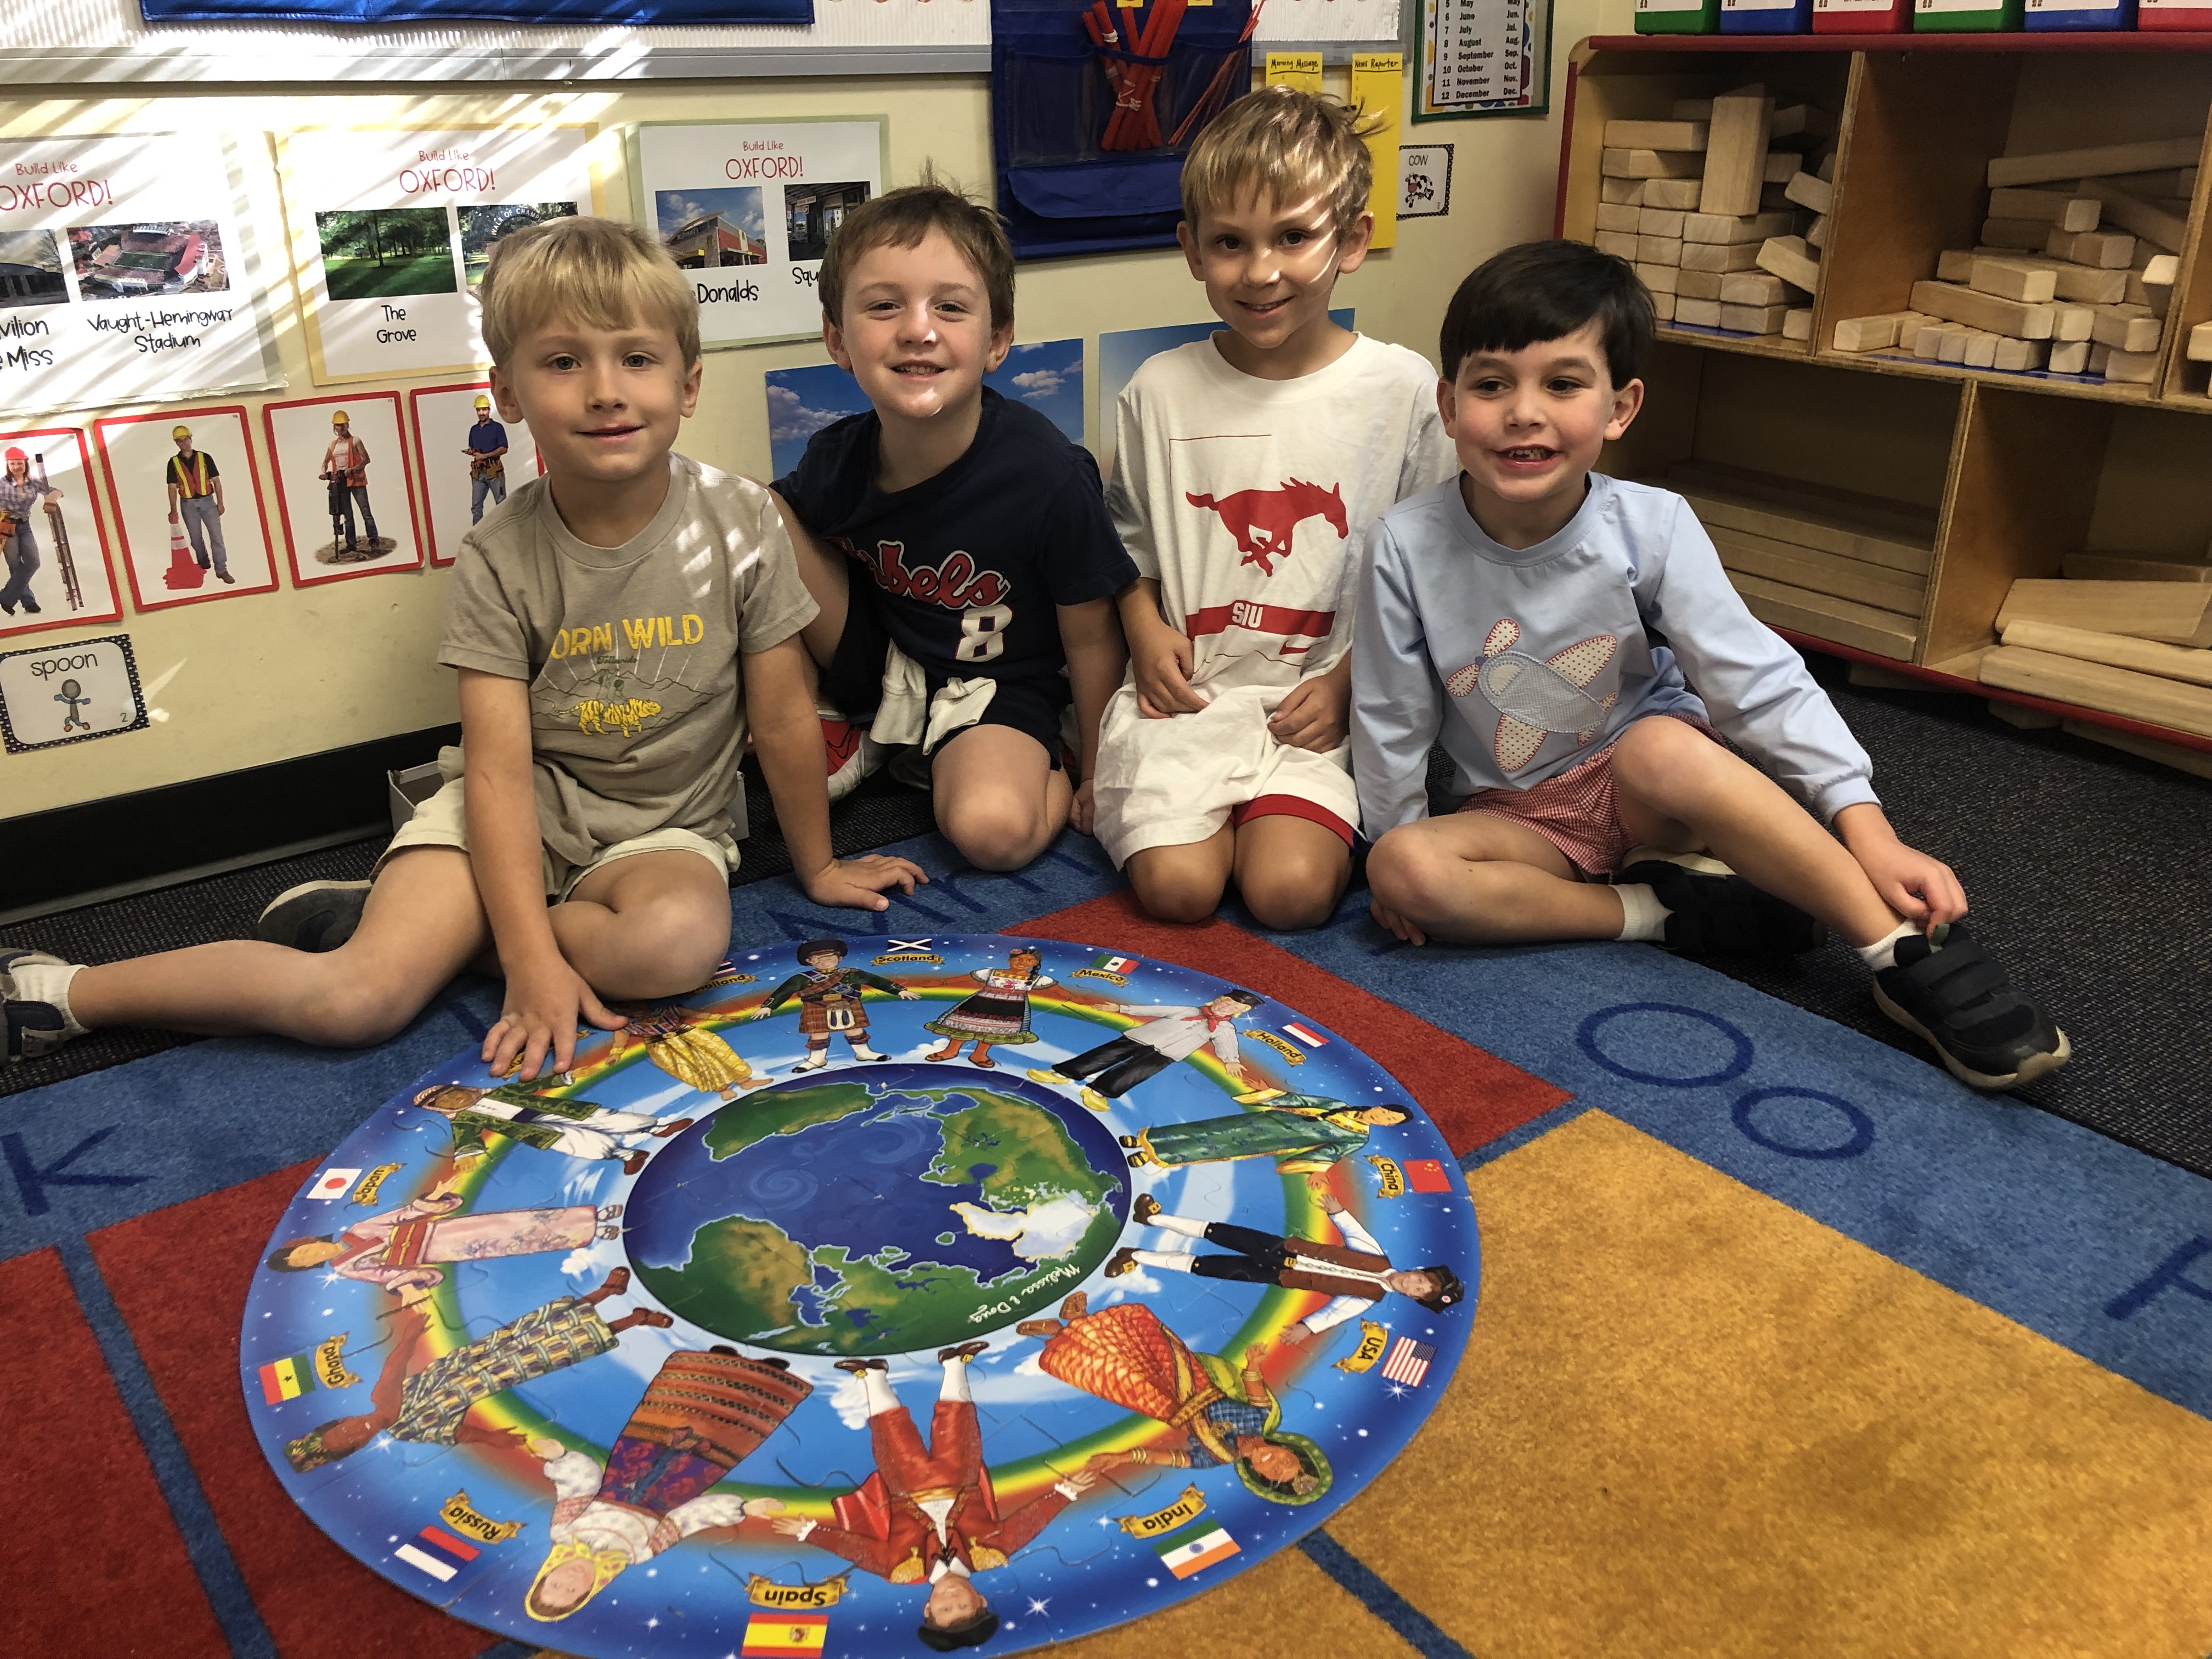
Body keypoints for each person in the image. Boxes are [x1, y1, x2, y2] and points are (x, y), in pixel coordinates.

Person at [2, 217, 924, 1075]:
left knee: (677, 948)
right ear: (509, 395)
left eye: (636, 359)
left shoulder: (741, 523)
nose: (605, 389)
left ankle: (448, 930)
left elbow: (781, 713)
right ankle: (60, 989)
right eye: (564, 361)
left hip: (662, 829)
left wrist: (818, 863)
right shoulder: (498, 556)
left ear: (685, 385)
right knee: (357, 1001)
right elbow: (495, 773)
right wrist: (529, 961)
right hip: (507, 816)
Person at [1352, 239, 2068, 1093]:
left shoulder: (1651, 525)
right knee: (1402, 865)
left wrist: (1864, 823)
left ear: (1621, 407)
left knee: (1661, 746)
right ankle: (1665, 913)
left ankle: (1891, 947)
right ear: (1450, 404)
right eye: (1493, 383)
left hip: (1650, 785)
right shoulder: (1405, 543)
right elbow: (1392, 714)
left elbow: (1755, 680)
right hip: (1524, 816)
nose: (1524, 413)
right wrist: (1391, 843)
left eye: (1564, 384)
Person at [1091, 88, 1458, 930]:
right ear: (1191, 250)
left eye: (1293, 237)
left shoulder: (1402, 390)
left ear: (1353, 240)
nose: (1261, 272)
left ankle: (1285, 812)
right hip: (1193, 699)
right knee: (1178, 893)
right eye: (1230, 244)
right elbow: (1129, 549)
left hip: (1324, 702)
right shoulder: (1158, 391)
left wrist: (1350, 680)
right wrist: (1144, 632)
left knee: (1288, 896)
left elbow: (1436, 573)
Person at [772, 176, 1135, 872]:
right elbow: (781, 553)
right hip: (887, 664)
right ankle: (852, 724)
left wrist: (1096, 769)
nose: (917, 328)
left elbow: (1091, 640)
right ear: (837, 340)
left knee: (990, 832)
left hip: (1002, 688)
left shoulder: (1048, 474)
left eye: (949, 306)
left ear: (997, 340)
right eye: (883, 307)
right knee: (753, 513)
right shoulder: (836, 456)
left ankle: (1040, 766)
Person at [773, 1342, 1096, 1651]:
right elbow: (1030, 1522)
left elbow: (855, 1548)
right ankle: (955, 1363)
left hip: (904, 1485)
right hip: (961, 1477)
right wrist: (1065, 1493)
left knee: (891, 1430)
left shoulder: (898, 1569)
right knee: (958, 1421)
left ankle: (873, 1375)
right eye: (964, 1605)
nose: (953, 1598)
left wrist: (808, 1532)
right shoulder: (994, 1553)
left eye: (945, 1609)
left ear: (928, 1609)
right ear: (981, 1600)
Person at [282, 1269, 670, 1474]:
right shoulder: (409, 1431)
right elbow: (458, 1432)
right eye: (349, 1441)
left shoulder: (379, 1399)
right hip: (499, 1374)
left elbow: (395, 1365)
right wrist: (491, 1440)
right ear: (359, 1447)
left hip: (476, 1355)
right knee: (564, 1348)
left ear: (344, 1419)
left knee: (539, 1322)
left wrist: (413, 1334)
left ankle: (604, 1294)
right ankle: (634, 1320)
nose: (355, 1431)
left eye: (343, 1429)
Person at [523, 1347, 811, 1621]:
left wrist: (560, 1458)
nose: (569, 1580)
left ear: (547, 1574)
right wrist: (744, 1507)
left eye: (556, 1584)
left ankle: (714, 1362)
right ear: (590, 1590)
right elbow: (685, 1520)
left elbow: (580, 1487)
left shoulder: (563, 1531)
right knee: (727, 1431)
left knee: (673, 1409)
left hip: (629, 1463)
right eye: (573, 1591)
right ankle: (768, 1380)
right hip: (688, 1478)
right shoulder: (639, 1554)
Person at [1015, 1292, 1330, 1503]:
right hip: (1193, 1378)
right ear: (1285, 1447)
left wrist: (1119, 1458)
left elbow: (1159, 1458)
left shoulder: (1215, 1458)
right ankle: (1080, 1318)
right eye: (1285, 1460)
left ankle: (1057, 1333)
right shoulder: (1259, 1420)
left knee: (1113, 1373)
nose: (1273, 1462)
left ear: (1260, 1477)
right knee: (1144, 1336)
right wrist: (1254, 1365)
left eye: (1274, 1472)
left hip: (1163, 1404)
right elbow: (1254, 1386)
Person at [1107, 1189, 1463, 1342]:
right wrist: (1338, 1212)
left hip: (1276, 1275)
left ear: (1413, 1298)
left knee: (1206, 1266)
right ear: (1417, 1270)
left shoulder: (1367, 1299)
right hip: (1281, 1247)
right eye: (1419, 1280)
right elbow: (1355, 1234)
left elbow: (1333, 1315)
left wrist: (1308, 1328)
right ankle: (1153, 1220)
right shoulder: (1378, 1256)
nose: (1412, 1285)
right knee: (1218, 1232)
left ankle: (1135, 1256)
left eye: (1418, 1292)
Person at [263, 1187, 623, 1295]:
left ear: (309, 1242)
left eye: (305, 1251)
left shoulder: (354, 1229)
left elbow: (400, 1216)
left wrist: (430, 1205)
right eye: (307, 1262)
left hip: (442, 1230)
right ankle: (591, 1233)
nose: (313, 1256)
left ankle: (595, 1216)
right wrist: (411, 1279)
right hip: (441, 1249)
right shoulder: (345, 1267)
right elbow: (386, 1276)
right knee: (513, 1242)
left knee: (512, 1221)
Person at [1035, 987, 1263, 1106]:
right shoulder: (1188, 1011)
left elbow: (1227, 1045)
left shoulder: (1225, 1029)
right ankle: (1062, 1073)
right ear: (1218, 999)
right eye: (1225, 1001)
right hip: (1142, 1037)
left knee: (1135, 1072)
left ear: (1239, 1012)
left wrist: (1231, 1060)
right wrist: (1121, 1009)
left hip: (1168, 1054)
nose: (1226, 1007)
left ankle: (1099, 1091)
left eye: (1232, 1007)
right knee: (1104, 1055)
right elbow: (1154, 1010)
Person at [1120, 1086, 1406, 1174]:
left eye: (1389, 1121)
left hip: (1274, 1139)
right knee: (1210, 1129)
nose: (1383, 1118)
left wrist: (1315, 1169)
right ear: (1380, 1106)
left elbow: (1332, 1152)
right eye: (1386, 1112)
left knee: (1215, 1147)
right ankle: (1149, 1139)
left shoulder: (1359, 1137)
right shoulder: (1338, 1103)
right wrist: (1269, 1095)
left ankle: (1156, 1157)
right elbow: (1302, 1101)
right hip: (1268, 1121)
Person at [749, 938, 920, 1071]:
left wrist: (899, 990)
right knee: (819, 1034)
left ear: (839, 958)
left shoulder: (852, 973)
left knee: (855, 1029)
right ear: (810, 961)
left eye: (830, 958)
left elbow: (876, 980)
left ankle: (864, 1053)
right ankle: (817, 1059)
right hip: (816, 1007)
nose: (825, 962)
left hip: (848, 1004)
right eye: (819, 959)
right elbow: (784, 991)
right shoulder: (801, 979)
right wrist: (768, 1006)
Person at [923, 945, 1053, 1066]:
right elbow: (965, 978)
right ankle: (951, 1051)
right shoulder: (992, 972)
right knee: (963, 1026)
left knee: (993, 1031)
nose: (1023, 963)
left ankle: (979, 1054)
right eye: (1019, 959)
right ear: (1009, 961)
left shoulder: (1037, 979)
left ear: (1036, 964)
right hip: (981, 1003)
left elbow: (1059, 991)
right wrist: (942, 982)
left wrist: (1072, 998)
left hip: (1011, 1008)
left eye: (1029, 961)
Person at [165, 424, 231, 583]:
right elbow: (172, 488)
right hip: (187, 504)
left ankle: (222, 570)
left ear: (191, 438)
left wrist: (220, 503)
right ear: (176, 443)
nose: (184, 443)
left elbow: (217, 481)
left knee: (217, 537)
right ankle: (203, 564)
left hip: (208, 502)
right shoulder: (173, 463)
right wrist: (173, 510)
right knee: (195, 538)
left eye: (186, 439)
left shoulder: (205, 457)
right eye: (180, 440)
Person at [0, 445, 59, 616]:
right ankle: (29, 602)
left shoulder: (33, 482)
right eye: (13, 464)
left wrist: (51, 500)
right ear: (8, 466)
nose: (17, 467)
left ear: (26, 464)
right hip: (6, 525)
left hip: (25, 526)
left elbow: (55, 491)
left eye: (20, 463)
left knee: (33, 562)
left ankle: (5, 597)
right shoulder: (2, 484)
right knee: (15, 565)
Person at [320, 408, 378, 555]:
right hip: (340, 482)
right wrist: (325, 474)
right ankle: (351, 543)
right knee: (347, 515)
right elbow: (325, 461)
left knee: (366, 512)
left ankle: (374, 540)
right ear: (335, 427)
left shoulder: (355, 441)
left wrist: (353, 469)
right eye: (338, 425)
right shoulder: (333, 445)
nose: (341, 428)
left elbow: (366, 459)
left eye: (343, 425)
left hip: (356, 481)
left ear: (347, 425)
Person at [465, 392, 510, 523]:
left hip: (494, 471)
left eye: (484, 409)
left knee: (501, 505)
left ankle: (503, 535)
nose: (482, 413)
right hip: (479, 473)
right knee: (476, 508)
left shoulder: (497, 428)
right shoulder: (474, 430)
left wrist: (485, 455)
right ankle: (477, 538)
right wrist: (471, 452)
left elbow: (504, 448)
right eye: (479, 410)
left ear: (489, 410)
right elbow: (475, 449)